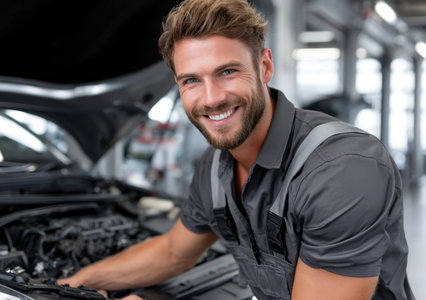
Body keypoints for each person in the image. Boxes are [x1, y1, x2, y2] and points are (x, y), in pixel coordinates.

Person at [59, 0, 415, 299]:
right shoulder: (215, 168)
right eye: (192, 80)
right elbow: (172, 252)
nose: (211, 98)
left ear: (265, 66)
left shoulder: (343, 169)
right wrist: (77, 282)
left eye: (227, 71)